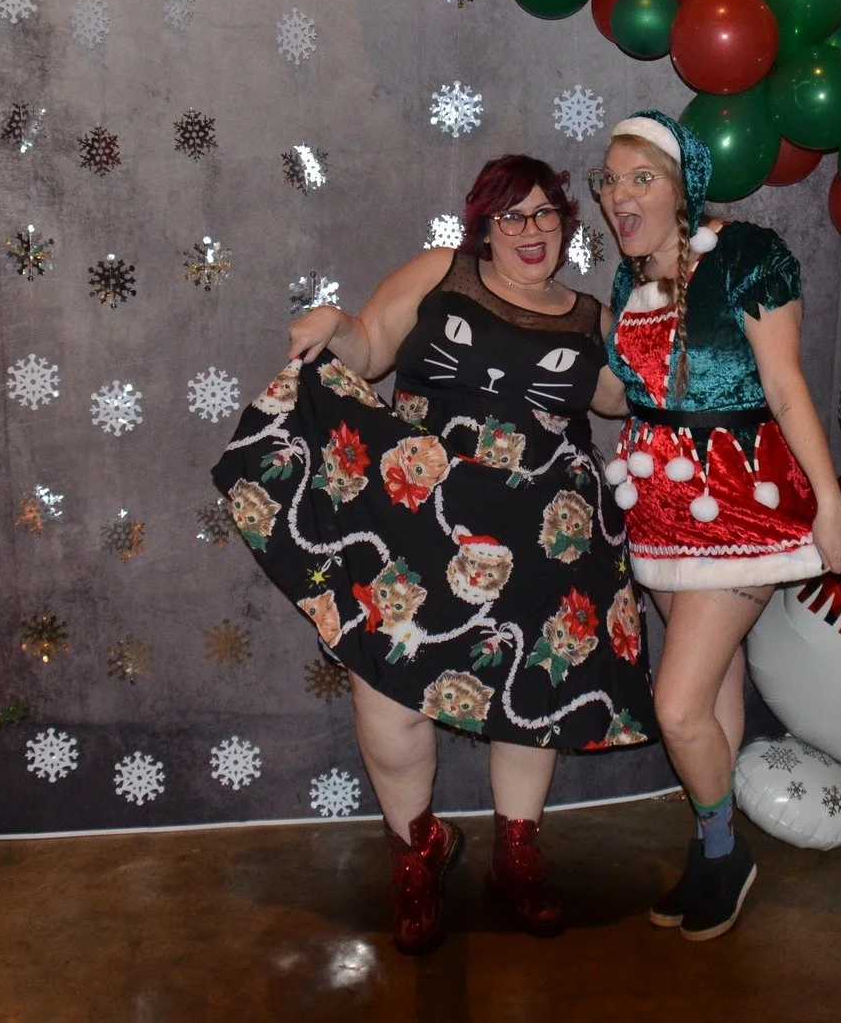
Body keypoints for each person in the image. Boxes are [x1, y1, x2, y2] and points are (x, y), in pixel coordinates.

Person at [211, 155, 655, 956]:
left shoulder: (591, 318)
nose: (530, 231)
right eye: (511, 216)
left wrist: (665, 323)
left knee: (529, 696)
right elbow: (369, 348)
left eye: (545, 213)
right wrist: (332, 323)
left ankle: (517, 855)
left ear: (565, 223)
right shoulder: (441, 273)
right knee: (389, 699)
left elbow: (625, 397)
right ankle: (417, 853)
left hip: (545, 538)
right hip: (418, 524)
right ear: (484, 226)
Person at [590, 112, 841, 941]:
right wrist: (541, 350)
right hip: (660, 510)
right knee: (713, 690)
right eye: (610, 180)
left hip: (740, 504)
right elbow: (621, 395)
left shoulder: (746, 255)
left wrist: (829, 503)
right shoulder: (627, 283)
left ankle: (722, 852)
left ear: (683, 188)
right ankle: (714, 851)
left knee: (676, 706)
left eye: (642, 177)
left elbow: (784, 385)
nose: (621, 194)